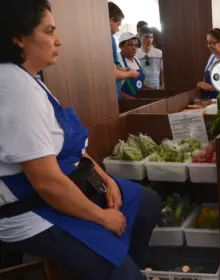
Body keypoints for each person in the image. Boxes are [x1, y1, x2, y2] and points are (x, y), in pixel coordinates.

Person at [0, 1, 161, 279]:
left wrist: (106, 180)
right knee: (123, 273)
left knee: (146, 202)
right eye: (49, 32)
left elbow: (74, 151)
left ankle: (121, 263)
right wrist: (102, 218)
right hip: (34, 210)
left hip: (67, 183)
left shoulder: (32, 80)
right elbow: (47, 183)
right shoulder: (15, 89)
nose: (58, 40)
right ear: (18, 38)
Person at [108, 2, 139, 99]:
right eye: (118, 25)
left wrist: (123, 70)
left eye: (135, 45)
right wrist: (130, 74)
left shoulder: (111, 39)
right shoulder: (109, 40)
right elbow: (114, 74)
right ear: (111, 20)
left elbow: (111, 69)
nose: (117, 30)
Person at [118, 32, 145, 99]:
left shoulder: (136, 59)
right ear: (121, 46)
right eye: (130, 45)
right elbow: (113, 89)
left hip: (139, 100)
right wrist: (131, 99)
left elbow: (139, 82)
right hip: (125, 104)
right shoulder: (117, 61)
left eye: (136, 45)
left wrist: (150, 88)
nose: (134, 48)